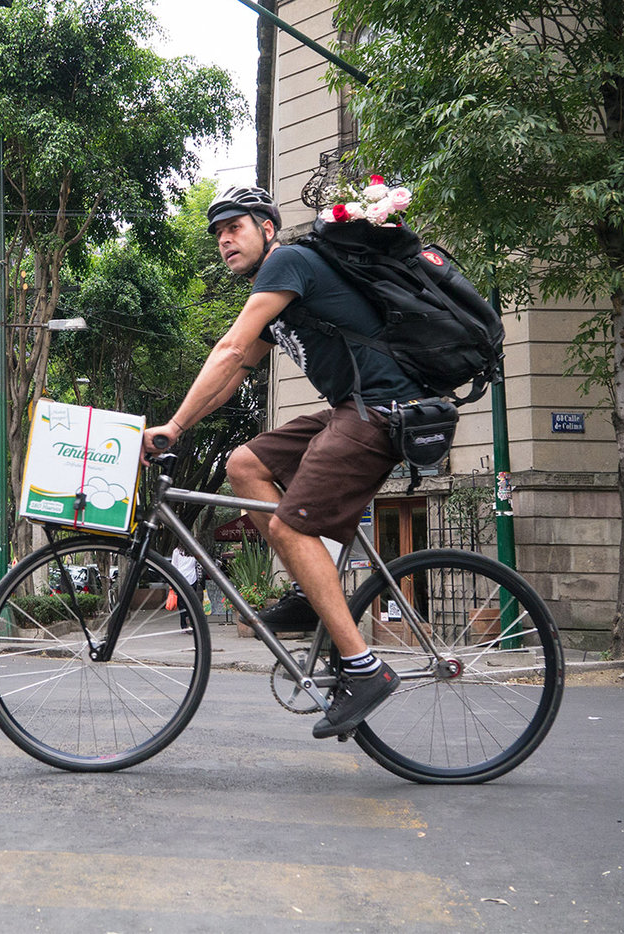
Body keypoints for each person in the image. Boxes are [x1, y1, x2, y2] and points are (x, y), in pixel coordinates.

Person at [142, 183, 420, 739]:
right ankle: (313, 596)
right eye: (217, 233)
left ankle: (364, 669)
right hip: (352, 408)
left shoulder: (290, 261)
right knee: (244, 465)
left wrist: (171, 425)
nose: (224, 241)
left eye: (235, 228)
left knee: (293, 521)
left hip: (385, 410)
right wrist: (182, 428)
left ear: (267, 228)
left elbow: (226, 348)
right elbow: (232, 373)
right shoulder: (280, 304)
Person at [169, 545, 201, 632]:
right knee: (191, 603)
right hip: (192, 579)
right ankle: (191, 622)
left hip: (180, 579)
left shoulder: (177, 551)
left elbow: (174, 566)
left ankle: (184, 624)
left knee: (182, 604)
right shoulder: (194, 551)